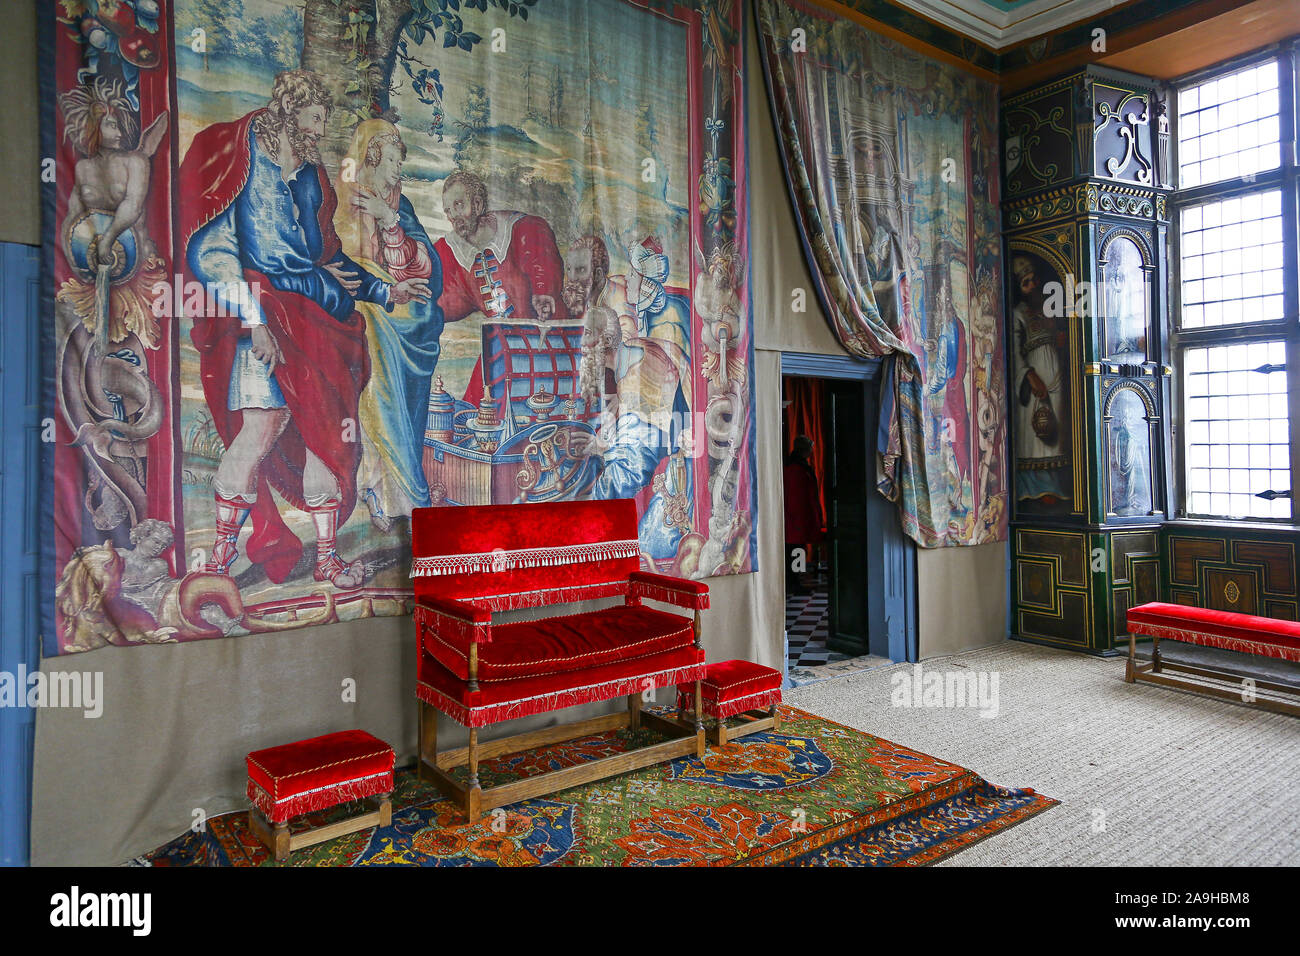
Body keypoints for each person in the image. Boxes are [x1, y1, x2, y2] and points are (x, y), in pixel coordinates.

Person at [181, 70, 427, 587]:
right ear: (290, 114)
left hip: (317, 324)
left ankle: (327, 560)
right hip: (265, 317)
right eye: (315, 121)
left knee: (323, 438)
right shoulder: (246, 162)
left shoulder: (312, 177)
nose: (319, 132)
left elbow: (329, 260)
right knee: (258, 431)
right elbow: (213, 251)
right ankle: (223, 554)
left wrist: (386, 291)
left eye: (323, 122)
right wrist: (254, 322)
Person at [335, 119, 440, 529]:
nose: (399, 170)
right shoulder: (343, 201)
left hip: (403, 321)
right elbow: (338, 264)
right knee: (377, 399)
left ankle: (393, 496)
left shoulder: (400, 205)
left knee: (402, 407)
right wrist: (380, 286)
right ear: (373, 158)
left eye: (401, 161)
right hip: (367, 315)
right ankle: (383, 492)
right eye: (394, 160)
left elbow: (423, 267)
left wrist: (390, 220)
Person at [431, 170, 567, 404]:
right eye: (448, 210)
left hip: (545, 335)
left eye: (459, 205)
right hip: (500, 345)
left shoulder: (521, 229)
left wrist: (544, 291)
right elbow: (444, 299)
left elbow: (541, 262)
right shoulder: (449, 251)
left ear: (477, 203)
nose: (454, 216)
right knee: (476, 410)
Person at [1010, 254, 1068, 506]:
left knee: (1057, 439)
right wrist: (1030, 376)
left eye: (1034, 280)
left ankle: (1056, 491)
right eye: (1026, 282)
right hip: (1034, 388)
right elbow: (1014, 352)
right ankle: (1036, 493)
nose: (1032, 285)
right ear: (1020, 288)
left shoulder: (1049, 310)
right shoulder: (1018, 314)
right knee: (1037, 437)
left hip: (1057, 385)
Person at [783, 435, 824, 596]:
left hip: (798, 519)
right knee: (796, 552)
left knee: (797, 551)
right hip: (796, 520)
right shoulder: (796, 469)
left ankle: (797, 581)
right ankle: (795, 583)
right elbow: (796, 498)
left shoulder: (798, 466)